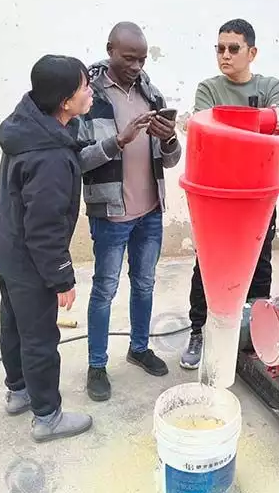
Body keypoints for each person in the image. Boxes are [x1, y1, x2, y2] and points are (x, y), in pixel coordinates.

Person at [0, 54, 95, 443]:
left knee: (14, 324)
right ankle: (47, 415)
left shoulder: (28, 123)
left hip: (7, 249)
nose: (91, 91)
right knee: (40, 338)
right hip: (31, 259)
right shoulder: (48, 156)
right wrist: (61, 276)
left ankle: (18, 391)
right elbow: (45, 227)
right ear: (65, 101)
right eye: (85, 86)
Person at [77, 21, 182, 402]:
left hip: (150, 211)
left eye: (142, 58)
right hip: (110, 214)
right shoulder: (88, 96)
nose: (137, 65)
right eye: (128, 58)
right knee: (104, 289)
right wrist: (118, 141)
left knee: (145, 283)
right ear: (109, 49)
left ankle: (138, 349)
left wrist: (169, 138)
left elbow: (171, 160)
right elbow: (77, 160)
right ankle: (97, 364)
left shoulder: (151, 93)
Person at [180, 18, 279, 370]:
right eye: (220, 48)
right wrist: (252, 125)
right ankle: (199, 331)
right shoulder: (208, 89)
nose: (224, 55)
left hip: (258, 193)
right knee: (208, 265)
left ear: (252, 52)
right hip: (217, 196)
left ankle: (254, 333)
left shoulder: (271, 86)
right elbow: (207, 132)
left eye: (233, 48)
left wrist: (238, 129)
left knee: (260, 262)